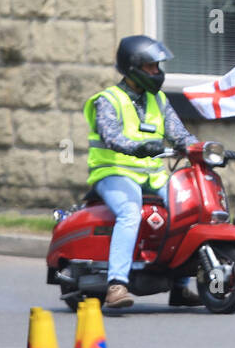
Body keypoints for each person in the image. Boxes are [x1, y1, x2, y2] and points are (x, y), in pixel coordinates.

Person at [85, 35, 199, 310]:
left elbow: (179, 134)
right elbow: (110, 135)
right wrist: (137, 147)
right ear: (132, 67)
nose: (157, 72)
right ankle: (116, 284)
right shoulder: (107, 100)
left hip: (152, 174)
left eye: (158, 66)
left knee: (187, 208)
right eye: (151, 67)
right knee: (130, 210)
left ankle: (181, 285)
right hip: (113, 172)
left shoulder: (157, 99)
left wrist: (203, 148)